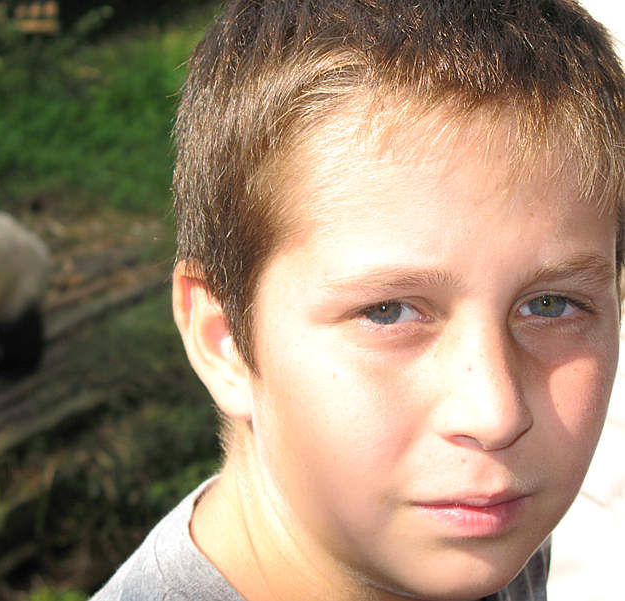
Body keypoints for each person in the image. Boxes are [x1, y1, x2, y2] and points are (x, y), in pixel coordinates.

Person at [91, 1, 625, 600]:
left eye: (550, 306)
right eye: (388, 311)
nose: (496, 415)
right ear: (225, 342)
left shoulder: (489, 518)